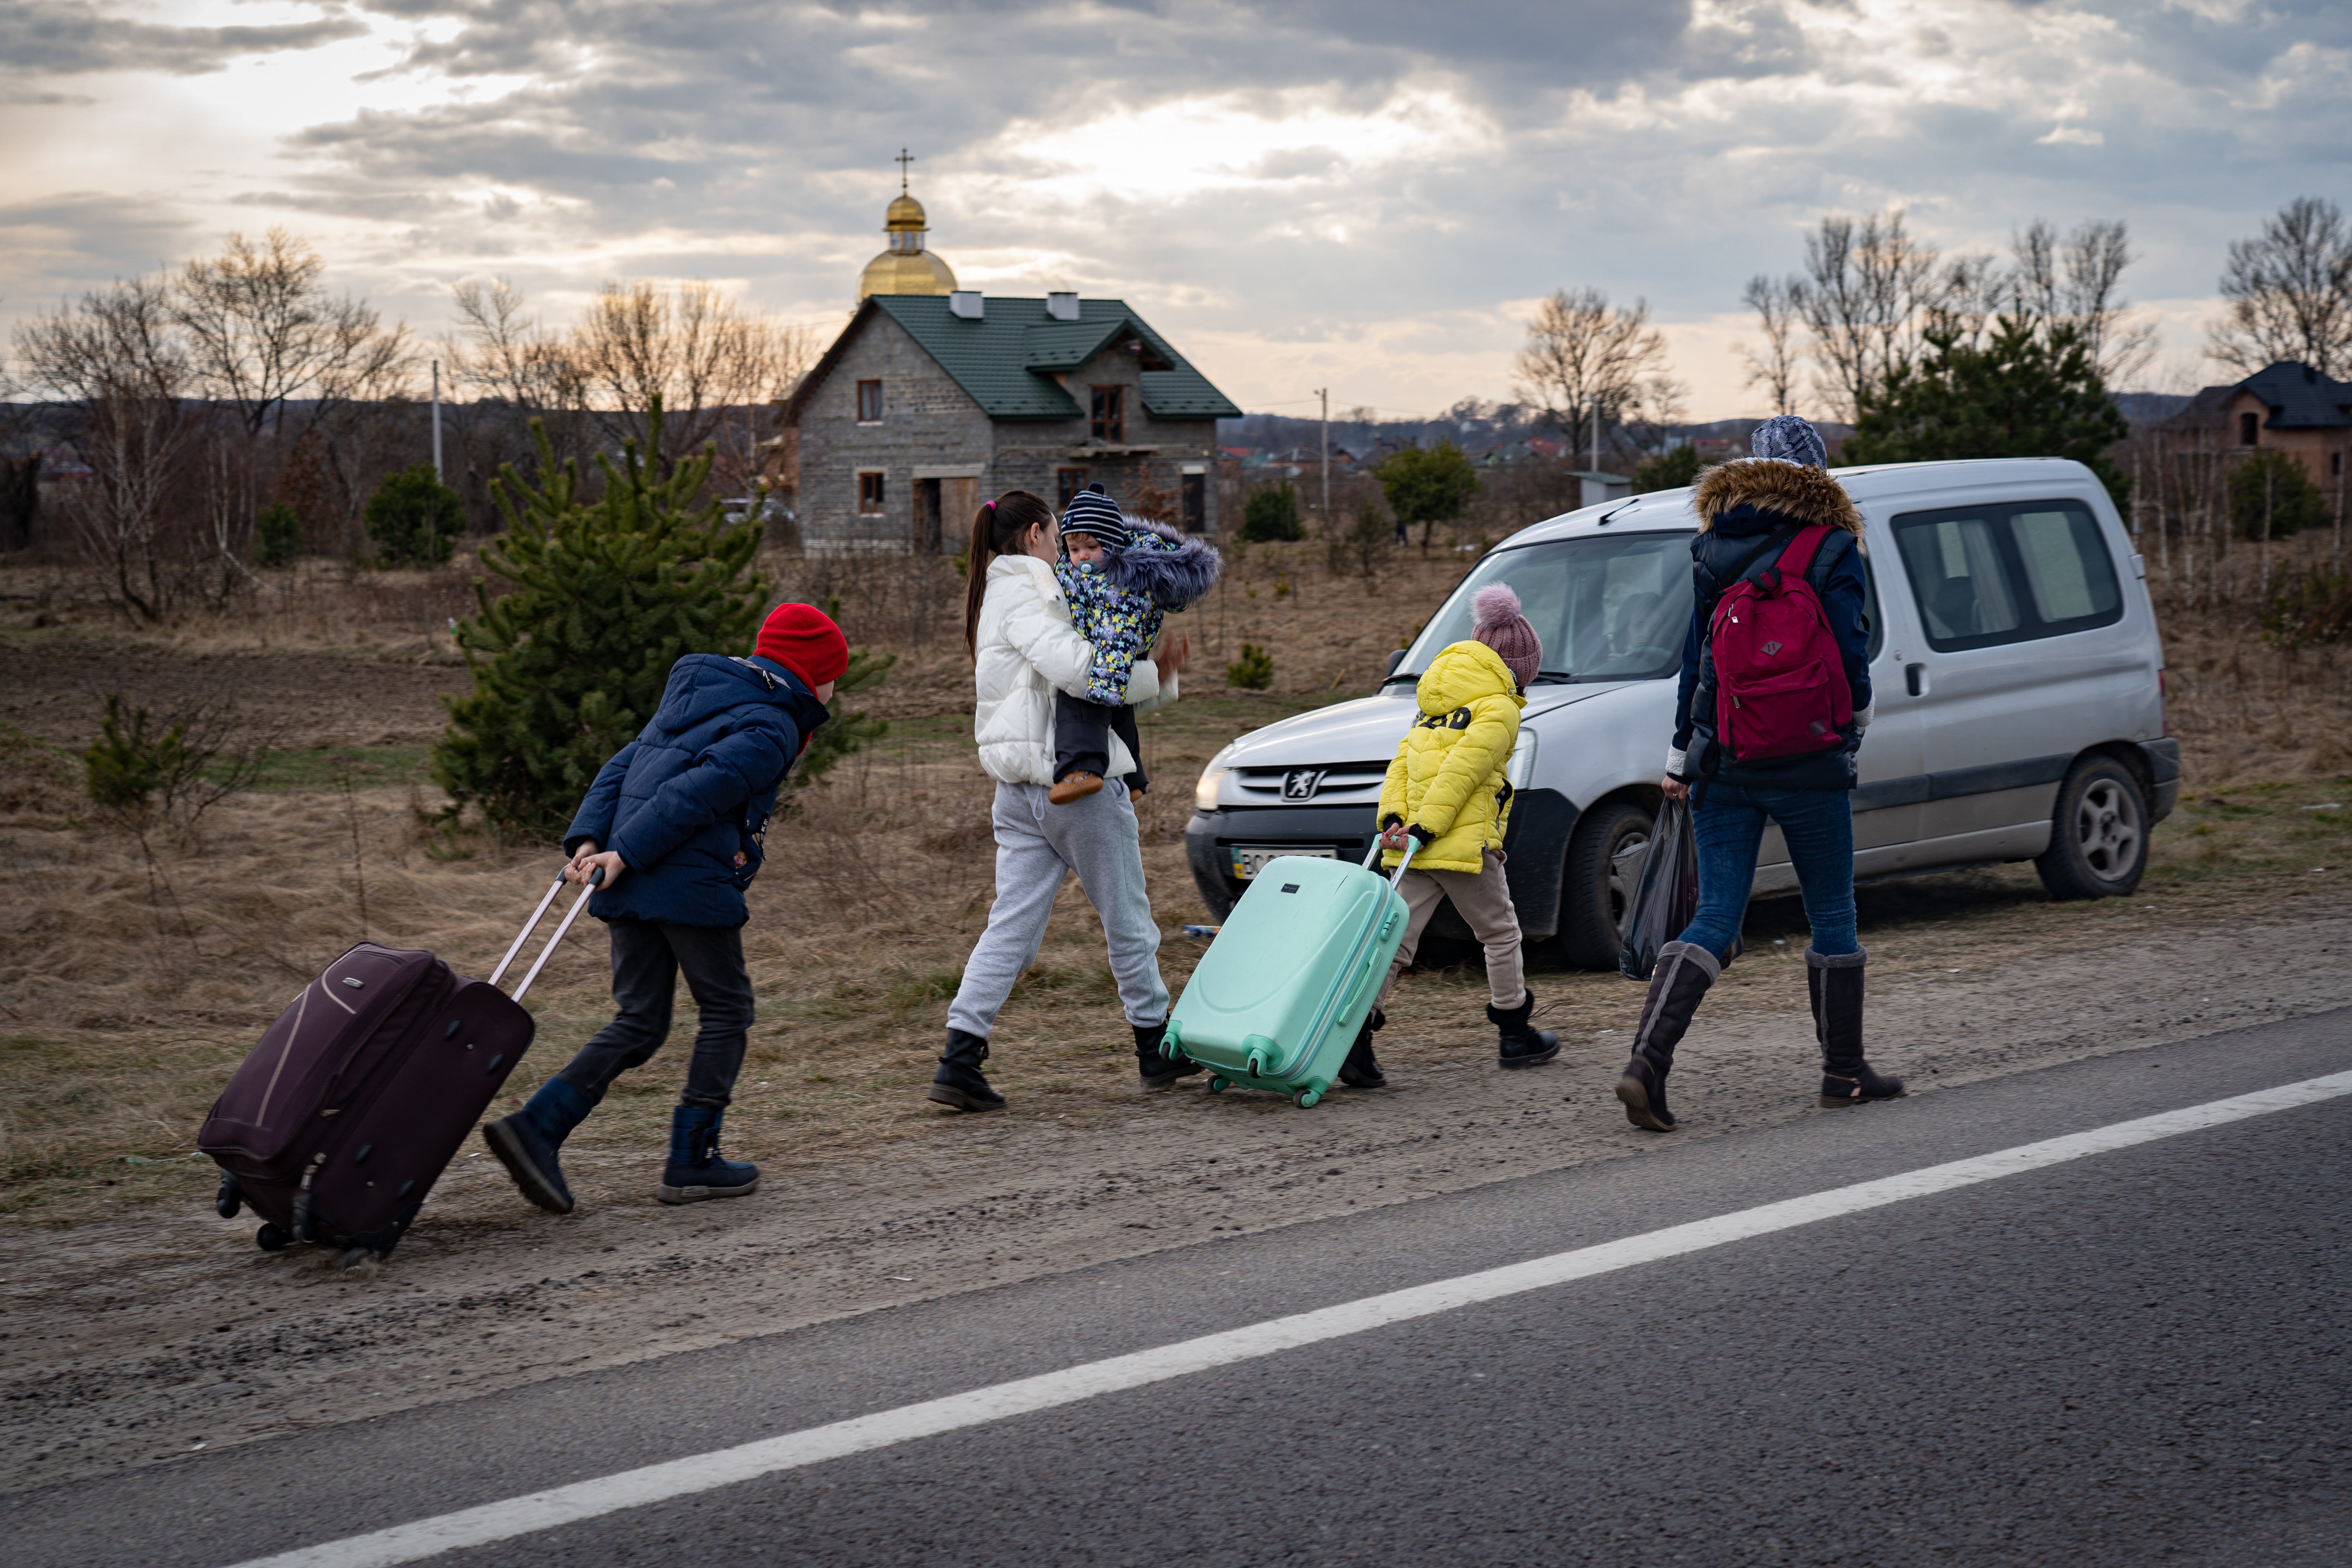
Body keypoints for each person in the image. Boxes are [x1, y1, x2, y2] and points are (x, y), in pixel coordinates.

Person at [482, 603, 844, 1210]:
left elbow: (622, 766)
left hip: (632, 873)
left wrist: (593, 841)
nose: (836, 690)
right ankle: (692, 1159)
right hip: (681, 877)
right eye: (835, 675)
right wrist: (623, 853)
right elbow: (697, 793)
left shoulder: (699, 696)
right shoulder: (773, 725)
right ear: (812, 671)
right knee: (727, 1011)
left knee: (642, 1020)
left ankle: (537, 1128)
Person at [1614, 414, 1903, 1133]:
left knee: (1716, 914)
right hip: (1809, 758)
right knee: (1832, 914)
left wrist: (1683, 754)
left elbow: (1696, 660)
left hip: (1724, 757)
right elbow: (1848, 647)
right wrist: (1855, 722)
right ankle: (1843, 1072)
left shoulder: (1713, 547)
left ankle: (1647, 1062)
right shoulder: (1834, 544)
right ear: (1820, 474)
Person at [935, 490, 1195, 1109]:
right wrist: (1153, 672)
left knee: (1012, 926)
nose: (1065, 549)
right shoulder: (1032, 594)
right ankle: (1153, 1047)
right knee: (1127, 918)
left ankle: (960, 1057)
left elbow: (1075, 688)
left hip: (1017, 792)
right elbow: (1081, 673)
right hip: (1071, 786)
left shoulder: (996, 594)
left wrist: (1160, 676)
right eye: (1058, 537)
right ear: (1033, 536)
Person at [1355, 582, 1561, 1089]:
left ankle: (1354, 1040)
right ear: (1519, 666)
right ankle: (1515, 1033)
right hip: (1460, 842)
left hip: (1414, 844)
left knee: (1395, 941)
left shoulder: (1432, 705)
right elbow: (1464, 773)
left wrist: (1394, 822)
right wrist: (1430, 826)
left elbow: (1402, 766)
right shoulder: (1501, 709)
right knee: (1500, 932)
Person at [1048, 482, 1220, 804]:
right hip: (1107, 644)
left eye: (1091, 547)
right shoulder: (1075, 571)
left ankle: (1082, 769)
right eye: (1073, 550)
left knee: (1085, 700)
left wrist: (1103, 680)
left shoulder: (1118, 582)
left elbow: (1118, 632)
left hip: (1114, 647)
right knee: (1121, 711)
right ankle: (1133, 779)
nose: (1082, 556)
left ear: (1113, 545)